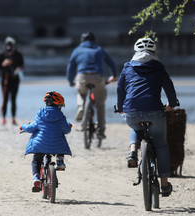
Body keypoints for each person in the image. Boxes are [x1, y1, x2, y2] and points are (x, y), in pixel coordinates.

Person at [116, 37, 179, 197]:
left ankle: (132, 151)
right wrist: (172, 103)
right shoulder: (158, 67)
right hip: (154, 111)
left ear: (135, 51)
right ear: (154, 51)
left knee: (135, 127)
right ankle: (164, 184)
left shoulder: (127, 67)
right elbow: (168, 85)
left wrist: (121, 107)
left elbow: (120, 87)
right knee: (161, 145)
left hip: (131, 111)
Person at [66, 32, 117, 139]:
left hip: (82, 77)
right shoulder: (99, 49)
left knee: (80, 92)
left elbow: (70, 67)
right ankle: (101, 132)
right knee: (100, 105)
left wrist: (71, 81)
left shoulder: (77, 50)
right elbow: (112, 63)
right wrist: (114, 76)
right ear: (94, 40)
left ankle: (81, 107)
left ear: (82, 41)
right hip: (98, 78)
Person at [20, 91, 72, 192]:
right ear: (57, 105)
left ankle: (36, 178)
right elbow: (67, 130)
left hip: (40, 146)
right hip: (57, 147)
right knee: (59, 139)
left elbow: (32, 127)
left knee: (36, 160)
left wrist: (23, 126)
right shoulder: (61, 116)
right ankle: (60, 161)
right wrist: (68, 124)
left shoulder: (40, 113)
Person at [0, 36, 24, 125]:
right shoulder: (2, 54)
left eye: (11, 49)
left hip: (15, 80)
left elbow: (22, 66)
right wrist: (3, 64)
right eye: (8, 49)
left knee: (13, 99)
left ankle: (13, 118)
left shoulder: (18, 54)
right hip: (5, 81)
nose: (10, 52)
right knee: (4, 100)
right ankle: (3, 118)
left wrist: (17, 69)